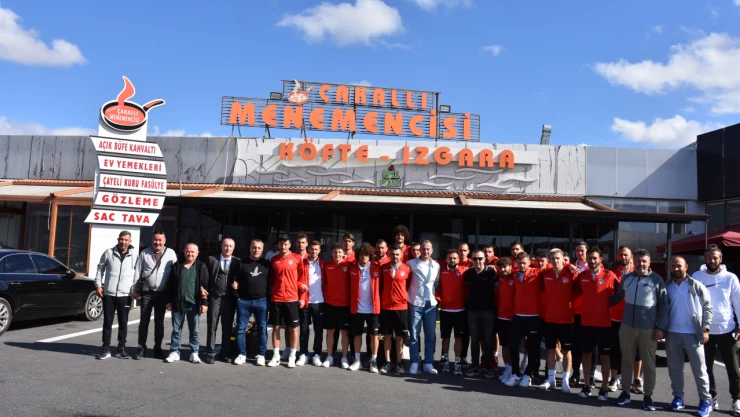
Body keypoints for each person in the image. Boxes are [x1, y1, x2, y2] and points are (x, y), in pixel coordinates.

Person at [611, 249, 668, 411]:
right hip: (627, 326)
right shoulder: (627, 278)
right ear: (633, 262)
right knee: (626, 361)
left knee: (648, 364)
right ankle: (625, 393)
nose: (640, 264)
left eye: (644, 261)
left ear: (649, 263)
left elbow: (664, 306)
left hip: (648, 329)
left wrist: (661, 328)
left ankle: (648, 396)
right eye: (637, 261)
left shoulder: (657, 280)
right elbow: (616, 297)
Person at [693, 244, 740, 414]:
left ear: (720, 259)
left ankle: (737, 400)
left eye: (715, 257)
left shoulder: (730, 278)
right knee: (705, 368)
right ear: (705, 259)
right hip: (704, 330)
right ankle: (710, 398)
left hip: (727, 329)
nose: (712, 260)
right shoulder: (697, 276)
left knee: (733, 369)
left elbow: (738, 301)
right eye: (709, 257)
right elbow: (693, 303)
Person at [664, 256, 713, 416]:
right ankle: (678, 398)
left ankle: (705, 401)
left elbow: (707, 307)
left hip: (693, 334)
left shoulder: (696, 285)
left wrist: (705, 328)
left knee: (699, 370)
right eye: (673, 266)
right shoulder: (667, 286)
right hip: (672, 333)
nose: (676, 269)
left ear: (686, 267)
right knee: (675, 369)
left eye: (679, 265)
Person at [573, 247, 618, 401]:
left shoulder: (609, 275)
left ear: (600, 260)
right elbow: (574, 291)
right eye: (589, 258)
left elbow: (620, 292)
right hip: (586, 322)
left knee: (604, 357)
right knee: (586, 355)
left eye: (594, 258)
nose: (592, 261)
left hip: (604, 324)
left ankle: (604, 388)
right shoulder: (582, 276)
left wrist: (610, 305)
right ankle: (587, 386)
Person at [132, 231, 178, 360]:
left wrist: (172, 295)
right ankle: (141, 348)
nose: (157, 242)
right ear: (152, 240)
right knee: (144, 321)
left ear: (164, 241)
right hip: (147, 292)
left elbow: (175, 274)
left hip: (162, 293)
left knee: (159, 322)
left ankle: (157, 348)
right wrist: (134, 289)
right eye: (155, 240)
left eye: (160, 240)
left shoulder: (171, 253)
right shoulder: (144, 253)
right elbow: (138, 271)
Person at [94, 230, 138, 360]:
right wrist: (98, 285)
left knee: (123, 323)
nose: (123, 242)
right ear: (118, 240)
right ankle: (106, 349)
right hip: (109, 293)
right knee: (107, 323)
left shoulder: (134, 255)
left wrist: (135, 289)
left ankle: (121, 349)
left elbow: (138, 274)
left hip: (125, 295)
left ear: (130, 241)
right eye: (121, 239)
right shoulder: (108, 252)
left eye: (125, 240)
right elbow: (100, 268)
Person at [538, 248, 577, 393]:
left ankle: (565, 380)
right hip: (549, 318)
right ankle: (551, 379)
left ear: (563, 259)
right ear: (550, 260)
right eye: (553, 258)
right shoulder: (545, 274)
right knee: (550, 349)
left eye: (558, 258)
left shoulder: (571, 273)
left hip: (566, 319)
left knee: (566, 351)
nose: (555, 261)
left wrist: (568, 266)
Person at [163, 243, 209, 364]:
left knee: (195, 331)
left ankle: (194, 352)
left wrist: (204, 303)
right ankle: (174, 351)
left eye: (193, 252)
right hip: (178, 303)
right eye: (188, 251)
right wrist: (168, 301)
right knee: (176, 330)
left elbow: (206, 285)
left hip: (194, 304)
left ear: (197, 253)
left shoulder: (201, 267)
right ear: (184, 252)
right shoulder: (177, 266)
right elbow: (170, 285)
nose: (190, 254)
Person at [504, 252, 545, 387]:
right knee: (513, 345)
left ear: (529, 262)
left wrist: (568, 265)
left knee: (532, 348)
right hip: (518, 316)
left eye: (524, 263)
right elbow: (501, 269)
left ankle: (528, 375)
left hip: (533, 317)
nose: (522, 265)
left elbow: (552, 267)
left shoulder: (537, 272)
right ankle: (516, 373)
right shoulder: (515, 274)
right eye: (519, 263)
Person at [267, 234, 307, 368]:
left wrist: (302, 296)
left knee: (293, 328)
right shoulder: (274, 259)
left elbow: (301, 278)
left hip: (291, 298)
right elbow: (271, 279)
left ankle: (292, 356)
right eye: (281, 244)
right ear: (278, 245)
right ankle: (276, 355)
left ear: (290, 245)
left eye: (285, 244)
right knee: (276, 327)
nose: (283, 246)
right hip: (277, 298)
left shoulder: (297, 258)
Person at [231, 239, 271, 366]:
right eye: (254, 247)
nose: (256, 250)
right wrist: (237, 297)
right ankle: (242, 354)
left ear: (262, 249)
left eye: (259, 248)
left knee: (262, 329)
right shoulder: (241, 263)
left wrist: (269, 299)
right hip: (244, 301)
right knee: (240, 329)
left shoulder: (267, 264)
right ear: (250, 248)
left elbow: (271, 282)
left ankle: (261, 355)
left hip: (262, 301)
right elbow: (234, 281)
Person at [608, 247, 642, 393]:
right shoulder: (611, 274)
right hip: (615, 318)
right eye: (621, 255)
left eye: (626, 255)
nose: (623, 257)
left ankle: (637, 380)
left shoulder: (640, 273)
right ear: (617, 256)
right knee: (615, 350)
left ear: (631, 257)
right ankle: (614, 378)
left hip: (634, 318)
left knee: (636, 351)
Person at [406, 240, 441, 375]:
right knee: (414, 335)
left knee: (430, 335)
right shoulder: (411, 263)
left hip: (430, 305)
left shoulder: (436, 266)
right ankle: (414, 362)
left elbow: (436, 283)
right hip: (415, 303)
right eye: (423, 249)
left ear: (432, 251)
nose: (425, 251)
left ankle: (428, 363)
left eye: (428, 249)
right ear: (420, 250)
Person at [204, 238, 240, 364]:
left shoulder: (237, 262)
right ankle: (210, 352)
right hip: (215, 297)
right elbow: (205, 278)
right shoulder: (212, 260)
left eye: (230, 246)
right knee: (212, 326)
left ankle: (225, 353)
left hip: (229, 300)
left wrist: (238, 286)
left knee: (227, 327)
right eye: (225, 245)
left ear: (234, 248)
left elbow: (241, 278)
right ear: (221, 246)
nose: (228, 248)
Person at [463, 250, 498, 378]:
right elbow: (465, 289)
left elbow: (499, 288)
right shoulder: (468, 273)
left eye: (480, 258)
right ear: (471, 260)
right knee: (475, 340)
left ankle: (488, 367)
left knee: (488, 340)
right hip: (472, 311)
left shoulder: (491, 272)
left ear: (485, 259)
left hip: (488, 311)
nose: (477, 261)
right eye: (474, 259)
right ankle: (474, 366)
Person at [348, 243, 382, 372]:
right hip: (357, 308)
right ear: (358, 256)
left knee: (374, 335)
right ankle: (357, 360)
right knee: (357, 335)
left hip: (373, 309)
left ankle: (374, 361)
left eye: (366, 255)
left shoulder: (377, 269)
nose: (363, 257)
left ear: (370, 256)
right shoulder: (352, 270)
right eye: (361, 255)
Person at [379, 245, 411, 374]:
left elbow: (409, 286)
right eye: (392, 254)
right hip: (386, 307)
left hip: (401, 307)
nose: (395, 256)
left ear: (401, 255)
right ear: (389, 254)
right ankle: (387, 362)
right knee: (387, 336)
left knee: (399, 337)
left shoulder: (407, 269)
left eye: (397, 254)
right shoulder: (383, 268)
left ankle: (399, 362)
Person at [437, 249, 468, 375]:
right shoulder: (441, 272)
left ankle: (457, 362)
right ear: (446, 260)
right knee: (445, 337)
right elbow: (436, 287)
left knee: (459, 338)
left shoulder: (464, 271)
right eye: (450, 258)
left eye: (455, 258)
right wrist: (440, 299)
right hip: (445, 310)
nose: (452, 260)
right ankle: (445, 360)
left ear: (458, 259)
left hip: (460, 310)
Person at [280, 233, 310, 361]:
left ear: (307, 244)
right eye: (298, 242)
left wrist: (302, 297)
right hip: (289, 297)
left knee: (303, 327)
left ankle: (303, 352)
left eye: (303, 242)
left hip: (305, 298)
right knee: (288, 325)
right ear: (295, 243)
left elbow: (304, 280)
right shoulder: (292, 257)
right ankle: (288, 348)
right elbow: (296, 279)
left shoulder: (310, 257)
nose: (300, 244)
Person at [322, 244, 352, 369]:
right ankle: (329, 356)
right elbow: (324, 283)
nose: (337, 254)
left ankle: (344, 357)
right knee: (330, 331)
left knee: (344, 332)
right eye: (335, 252)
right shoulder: (327, 266)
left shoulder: (349, 266)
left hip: (344, 305)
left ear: (343, 253)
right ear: (331, 253)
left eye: (339, 252)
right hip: (330, 304)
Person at [571, 241, 595, 387]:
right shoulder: (570, 267)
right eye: (578, 251)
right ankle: (575, 373)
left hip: (591, 312)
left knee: (591, 346)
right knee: (576, 345)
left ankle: (590, 375)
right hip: (575, 312)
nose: (580, 253)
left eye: (582, 251)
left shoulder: (594, 267)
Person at [297, 240, 325, 367]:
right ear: (308, 250)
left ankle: (317, 354)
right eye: (312, 249)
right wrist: (300, 285)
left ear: (319, 251)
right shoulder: (302, 263)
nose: (314, 251)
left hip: (320, 302)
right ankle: (303, 354)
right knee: (304, 330)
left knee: (318, 330)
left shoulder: (323, 264)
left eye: (316, 249)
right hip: (305, 301)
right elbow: (295, 279)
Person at [496, 257, 517, 383]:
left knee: (514, 346)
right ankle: (508, 369)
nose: (503, 270)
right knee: (505, 345)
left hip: (514, 317)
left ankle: (516, 370)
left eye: (505, 267)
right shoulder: (499, 277)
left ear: (510, 266)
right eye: (501, 267)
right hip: (501, 317)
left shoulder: (516, 276)